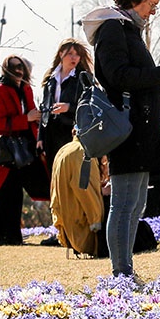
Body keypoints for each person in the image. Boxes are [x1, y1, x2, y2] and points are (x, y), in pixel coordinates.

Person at [82, 0, 160, 277]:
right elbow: (118, 76)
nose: (153, 11)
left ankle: (125, 270)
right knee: (125, 203)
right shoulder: (114, 29)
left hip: (140, 130)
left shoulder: (128, 30)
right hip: (128, 130)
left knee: (135, 204)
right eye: (151, 3)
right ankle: (121, 272)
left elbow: (135, 77)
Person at [0, 54, 50, 246]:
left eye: (21, 66)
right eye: (15, 66)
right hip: (4, 150)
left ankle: (10, 236)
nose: (19, 69)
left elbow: (33, 118)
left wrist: (38, 139)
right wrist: (26, 118)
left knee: (14, 192)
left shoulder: (25, 89)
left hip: (21, 150)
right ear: (7, 69)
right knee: (1, 191)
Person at [38, 38, 93, 245]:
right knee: (55, 185)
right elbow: (44, 109)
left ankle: (74, 230)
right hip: (52, 135)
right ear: (61, 53)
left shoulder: (82, 78)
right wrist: (40, 138)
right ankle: (59, 230)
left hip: (71, 133)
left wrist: (68, 108)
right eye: (70, 53)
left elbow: (87, 105)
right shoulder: (50, 79)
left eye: (77, 54)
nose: (74, 58)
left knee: (72, 182)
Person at [50, 135, 104, 256]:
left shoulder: (64, 149)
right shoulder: (83, 152)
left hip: (66, 227)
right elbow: (86, 192)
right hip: (82, 230)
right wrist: (96, 221)